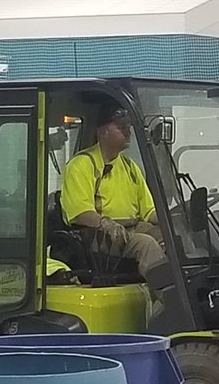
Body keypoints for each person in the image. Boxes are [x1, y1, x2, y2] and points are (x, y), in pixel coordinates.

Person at [60, 103, 165, 279]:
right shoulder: (81, 165)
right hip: (98, 235)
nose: (128, 132)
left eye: (128, 127)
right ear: (103, 132)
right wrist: (106, 224)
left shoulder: (130, 167)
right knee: (146, 245)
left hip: (131, 228)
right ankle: (169, 298)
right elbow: (80, 213)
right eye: (121, 127)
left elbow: (148, 211)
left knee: (174, 238)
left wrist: (171, 220)